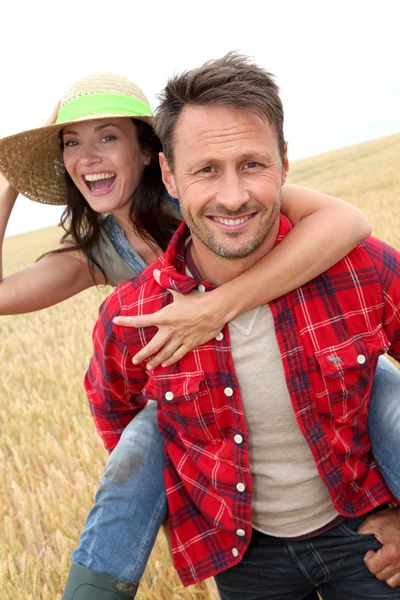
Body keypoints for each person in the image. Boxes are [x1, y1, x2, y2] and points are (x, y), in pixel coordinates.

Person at [0, 72, 398, 599]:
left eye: (108, 137)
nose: (88, 156)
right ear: (171, 171)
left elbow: (347, 221)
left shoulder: (222, 197)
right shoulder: (104, 259)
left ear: (149, 153)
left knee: (381, 387)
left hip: (311, 375)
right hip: (202, 416)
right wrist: (13, 180)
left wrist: (215, 307)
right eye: (72, 143)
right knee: (143, 438)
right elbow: (107, 403)